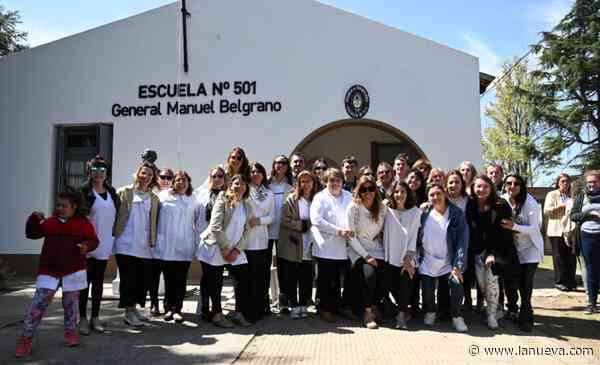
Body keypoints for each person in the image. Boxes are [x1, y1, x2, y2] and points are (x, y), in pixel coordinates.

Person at [16, 189, 99, 357]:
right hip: (49, 271)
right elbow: (31, 234)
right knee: (37, 306)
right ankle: (26, 338)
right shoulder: (50, 223)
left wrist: (86, 246)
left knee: (71, 306)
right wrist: (34, 219)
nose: (60, 208)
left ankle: (70, 332)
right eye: (58, 205)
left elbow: (94, 241)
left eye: (64, 206)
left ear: (74, 207)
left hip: (73, 271)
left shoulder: (83, 223)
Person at [200, 174, 253, 327]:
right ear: (230, 185)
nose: (240, 186)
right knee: (215, 282)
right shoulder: (222, 200)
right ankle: (217, 314)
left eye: (243, 184)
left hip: (235, 249)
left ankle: (239, 313)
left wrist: (236, 251)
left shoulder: (247, 205)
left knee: (242, 280)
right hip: (217, 246)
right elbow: (215, 227)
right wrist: (225, 249)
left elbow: (247, 231)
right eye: (236, 183)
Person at [113, 161, 160, 327]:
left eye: (149, 174)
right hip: (125, 243)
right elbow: (114, 213)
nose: (145, 177)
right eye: (143, 173)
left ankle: (135, 310)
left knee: (142, 280)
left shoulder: (154, 198)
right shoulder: (124, 192)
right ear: (137, 174)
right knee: (128, 279)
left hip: (144, 245)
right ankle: (128, 311)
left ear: (153, 178)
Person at [417, 183, 469, 332]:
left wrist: (458, 265)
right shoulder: (424, 213)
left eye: (438, 194)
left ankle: (457, 317)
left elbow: (462, 240)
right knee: (427, 290)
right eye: (432, 195)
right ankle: (431, 312)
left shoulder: (456, 213)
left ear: (445, 194)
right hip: (427, 259)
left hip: (449, 261)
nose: (435, 197)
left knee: (457, 284)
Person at [465, 175, 515, 330]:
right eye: (478, 186)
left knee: (491, 282)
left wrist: (493, 253)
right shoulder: (471, 205)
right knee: (482, 284)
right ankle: (496, 308)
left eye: (485, 186)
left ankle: (492, 314)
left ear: (491, 188)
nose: (481, 190)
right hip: (477, 252)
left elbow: (504, 232)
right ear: (473, 188)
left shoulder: (501, 204)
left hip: (496, 251)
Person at [78, 156, 120, 335]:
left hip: (104, 245)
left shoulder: (111, 193)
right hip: (86, 245)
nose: (99, 174)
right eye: (95, 170)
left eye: (102, 170)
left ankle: (95, 317)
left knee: (98, 283)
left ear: (107, 173)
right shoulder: (83, 192)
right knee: (83, 284)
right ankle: (82, 319)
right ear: (90, 172)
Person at [501, 173, 544, 332]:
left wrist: (514, 227)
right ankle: (514, 309)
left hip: (531, 247)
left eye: (516, 184)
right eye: (509, 183)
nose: (512, 186)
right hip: (514, 248)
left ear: (522, 186)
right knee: (512, 282)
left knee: (526, 283)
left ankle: (526, 318)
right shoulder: (503, 199)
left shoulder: (530, 202)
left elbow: (534, 228)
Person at [154, 171, 198, 323]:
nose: (181, 182)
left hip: (184, 245)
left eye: (184, 180)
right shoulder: (163, 196)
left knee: (181, 279)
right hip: (167, 245)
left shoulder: (193, 199)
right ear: (174, 182)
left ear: (189, 182)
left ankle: (177, 309)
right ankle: (168, 309)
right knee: (168, 279)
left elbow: (199, 222)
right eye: (178, 180)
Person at [310, 168, 353, 323]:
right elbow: (316, 220)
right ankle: (324, 308)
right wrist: (338, 231)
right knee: (325, 280)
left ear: (342, 181)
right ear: (325, 182)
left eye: (338, 180)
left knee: (339, 279)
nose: (335, 183)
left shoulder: (349, 196)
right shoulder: (319, 197)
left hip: (345, 246)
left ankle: (338, 307)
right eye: (331, 180)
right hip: (325, 246)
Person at [278, 170, 319, 319]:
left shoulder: (316, 199)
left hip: (310, 243)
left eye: (309, 181)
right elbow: (285, 220)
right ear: (299, 183)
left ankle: (303, 304)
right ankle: (294, 305)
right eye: (303, 181)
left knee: (306, 277)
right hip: (294, 243)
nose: (306, 184)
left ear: (313, 183)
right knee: (291, 277)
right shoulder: (292, 199)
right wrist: (303, 225)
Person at [347, 176, 386, 329]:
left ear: (376, 190)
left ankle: (376, 306)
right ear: (359, 191)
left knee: (385, 275)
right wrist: (366, 256)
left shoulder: (382, 208)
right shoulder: (354, 208)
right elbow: (351, 237)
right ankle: (368, 312)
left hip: (377, 249)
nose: (368, 192)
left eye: (371, 188)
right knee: (369, 275)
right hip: (358, 250)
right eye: (364, 189)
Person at [383, 181, 421, 329]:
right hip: (389, 256)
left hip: (408, 255)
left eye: (403, 192)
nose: (399, 195)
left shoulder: (415, 212)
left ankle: (401, 316)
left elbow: (413, 236)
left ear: (408, 194)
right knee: (390, 285)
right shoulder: (387, 210)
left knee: (406, 285)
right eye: (396, 192)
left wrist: (408, 258)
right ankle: (404, 309)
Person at [195, 166, 230, 325]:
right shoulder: (202, 194)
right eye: (214, 176)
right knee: (206, 277)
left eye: (220, 176)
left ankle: (217, 310)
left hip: (220, 241)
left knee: (216, 278)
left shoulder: (228, 196)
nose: (217, 179)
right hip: (205, 241)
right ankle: (204, 309)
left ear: (225, 179)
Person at [245, 162, 275, 322]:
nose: (255, 174)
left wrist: (260, 221)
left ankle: (261, 306)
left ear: (263, 174)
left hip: (262, 239)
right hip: (246, 240)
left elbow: (272, 216)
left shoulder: (269, 193)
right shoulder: (244, 190)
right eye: (253, 171)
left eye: (258, 171)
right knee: (248, 276)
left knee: (261, 276)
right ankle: (249, 309)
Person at [570, 170, 600, 314]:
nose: (592, 185)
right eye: (589, 182)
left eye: (595, 181)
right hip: (587, 237)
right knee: (591, 270)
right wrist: (588, 215)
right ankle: (592, 303)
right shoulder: (582, 196)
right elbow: (573, 215)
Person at [268, 155, 294, 313]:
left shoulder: (292, 185)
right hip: (266, 232)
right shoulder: (266, 184)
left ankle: (284, 302)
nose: (280, 165)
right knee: (265, 268)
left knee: (285, 269)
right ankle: (265, 301)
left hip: (285, 232)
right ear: (273, 165)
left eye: (284, 163)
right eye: (277, 163)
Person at [544, 173, 577, 291]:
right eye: (562, 181)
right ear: (558, 183)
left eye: (567, 181)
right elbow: (547, 211)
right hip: (556, 230)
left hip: (571, 231)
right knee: (559, 257)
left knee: (571, 257)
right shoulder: (552, 194)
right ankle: (560, 282)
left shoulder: (573, 195)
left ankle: (571, 282)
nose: (565, 183)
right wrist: (562, 206)